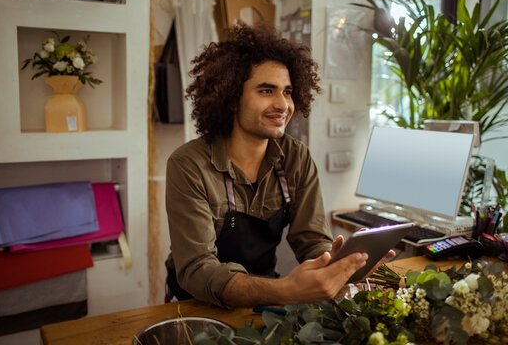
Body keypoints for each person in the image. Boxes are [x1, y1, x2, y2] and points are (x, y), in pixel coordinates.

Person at [165, 24, 390, 308]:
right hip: (194, 304)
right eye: (267, 90)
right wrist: (285, 291)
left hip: (267, 295)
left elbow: (313, 241)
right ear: (232, 97)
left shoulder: (297, 158)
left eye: (287, 92)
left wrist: (339, 263)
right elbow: (197, 269)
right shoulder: (189, 165)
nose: (283, 104)